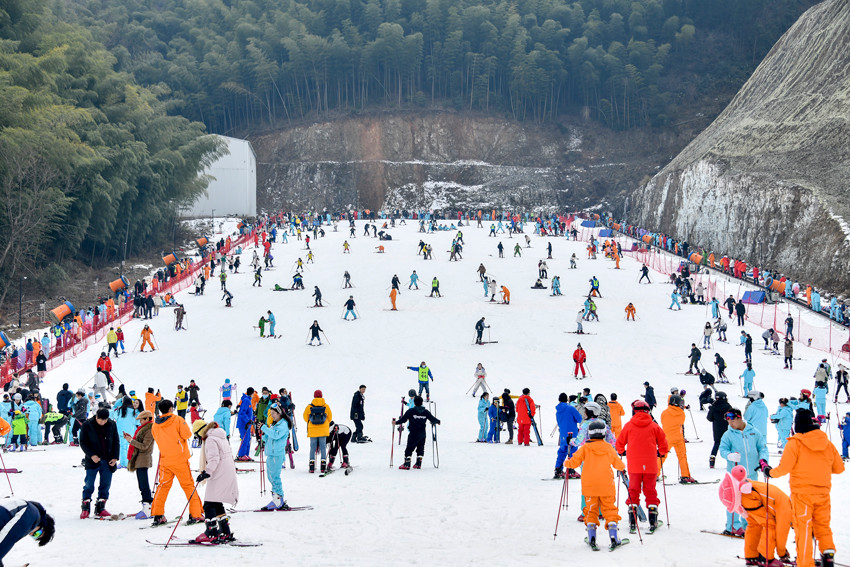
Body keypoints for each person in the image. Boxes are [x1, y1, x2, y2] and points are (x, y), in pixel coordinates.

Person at [761, 409, 845, 567]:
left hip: (802, 494)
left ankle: (805, 563)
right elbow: (839, 468)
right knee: (823, 526)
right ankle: (828, 555)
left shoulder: (795, 443)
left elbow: (784, 468)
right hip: (823, 493)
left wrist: (769, 472)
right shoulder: (827, 443)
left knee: (803, 529)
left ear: (797, 425)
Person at [564, 420, 626, 550]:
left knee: (591, 509)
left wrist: (567, 463)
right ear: (604, 434)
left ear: (589, 434)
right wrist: (622, 467)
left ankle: (592, 536)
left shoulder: (585, 448)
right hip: (607, 485)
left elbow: (573, 463)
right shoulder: (608, 448)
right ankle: (614, 536)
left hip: (589, 486)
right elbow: (618, 464)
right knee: (609, 510)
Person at [720, 464, 792, 566]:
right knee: (769, 524)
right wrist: (782, 553)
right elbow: (781, 533)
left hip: (746, 493)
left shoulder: (784, 500)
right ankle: (765, 558)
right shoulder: (787, 509)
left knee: (754, 525)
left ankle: (751, 556)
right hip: (750, 495)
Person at [615, 400, 668, 532]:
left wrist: (622, 452)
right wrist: (660, 453)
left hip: (634, 464)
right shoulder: (654, 426)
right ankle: (653, 519)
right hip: (650, 464)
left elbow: (619, 443)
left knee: (633, 490)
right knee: (650, 491)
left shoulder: (628, 426)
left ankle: (632, 520)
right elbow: (663, 444)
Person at [150, 400, 204, 526]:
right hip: (179, 459)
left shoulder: (155, 424)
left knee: (163, 486)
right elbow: (187, 434)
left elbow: (156, 437)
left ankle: (158, 515)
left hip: (165, 459)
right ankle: (195, 514)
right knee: (188, 485)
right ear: (170, 408)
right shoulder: (177, 420)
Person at [718, 407, 769, 537]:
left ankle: (749, 525)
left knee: (751, 500)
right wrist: (729, 455)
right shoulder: (728, 434)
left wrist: (763, 461)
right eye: (728, 422)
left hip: (751, 473)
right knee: (734, 499)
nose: (730, 424)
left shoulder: (754, 432)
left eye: (732, 420)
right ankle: (733, 526)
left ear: (739, 417)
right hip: (735, 475)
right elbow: (722, 449)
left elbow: (762, 448)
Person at [191, 420, 238, 543]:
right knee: (216, 502)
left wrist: (207, 472)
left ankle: (211, 532)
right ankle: (224, 531)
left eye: (197, 435)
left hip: (219, 472)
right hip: (226, 470)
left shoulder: (211, 439)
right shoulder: (219, 435)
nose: (198, 438)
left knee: (209, 503)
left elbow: (214, 458)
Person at [79, 408, 120, 519]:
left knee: (105, 484)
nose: (102, 422)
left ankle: (100, 507)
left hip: (108, 460)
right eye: (100, 420)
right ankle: (85, 508)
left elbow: (116, 440)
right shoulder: (87, 424)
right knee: (89, 484)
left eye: (104, 420)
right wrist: (91, 455)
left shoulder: (111, 424)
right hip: (93, 460)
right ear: (96, 417)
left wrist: (115, 457)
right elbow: (82, 442)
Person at [393, 395, 440, 470]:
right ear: (422, 403)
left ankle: (407, 464)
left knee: (409, 448)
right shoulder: (425, 412)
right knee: (420, 448)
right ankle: (418, 463)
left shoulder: (411, 411)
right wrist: (438, 422)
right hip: (422, 434)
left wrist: (396, 423)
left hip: (413, 433)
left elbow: (403, 419)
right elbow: (433, 419)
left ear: (414, 403)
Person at [660, 396, 696, 483]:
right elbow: (681, 422)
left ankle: (654, 474)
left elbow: (662, 422)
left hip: (666, 438)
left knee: (662, 456)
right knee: (682, 457)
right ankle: (685, 475)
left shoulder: (664, 413)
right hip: (678, 438)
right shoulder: (681, 413)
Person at [126, 410, 155, 519]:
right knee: (142, 484)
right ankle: (147, 506)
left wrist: (131, 441)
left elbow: (144, 446)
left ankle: (147, 506)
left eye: (142, 420)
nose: (140, 422)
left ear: (147, 419)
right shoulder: (143, 428)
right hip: (139, 459)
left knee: (144, 485)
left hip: (143, 458)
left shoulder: (149, 429)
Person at [554, 393, 583, 479]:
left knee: (562, 451)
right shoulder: (570, 408)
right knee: (573, 451)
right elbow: (579, 419)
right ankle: (571, 469)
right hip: (572, 433)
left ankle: (558, 469)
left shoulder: (558, 411)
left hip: (563, 433)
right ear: (567, 399)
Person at [303, 390, 332, 473]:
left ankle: (311, 466)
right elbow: (329, 418)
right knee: (323, 447)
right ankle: (323, 466)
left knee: (312, 448)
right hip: (323, 430)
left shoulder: (309, 406)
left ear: (314, 396)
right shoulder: (326, 406)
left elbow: (305, 418)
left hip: (313, 430)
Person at [235, 388, 255, 461]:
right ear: (252, 393)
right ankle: (241, 455)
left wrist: (253, 417)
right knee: (245, 439)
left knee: (248, 439)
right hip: (244, 424)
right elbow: (242, 413)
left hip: (248, 424)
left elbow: (248, 413)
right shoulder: (246, 400)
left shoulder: (248, 400)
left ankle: (246, 454)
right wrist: (248, 420)